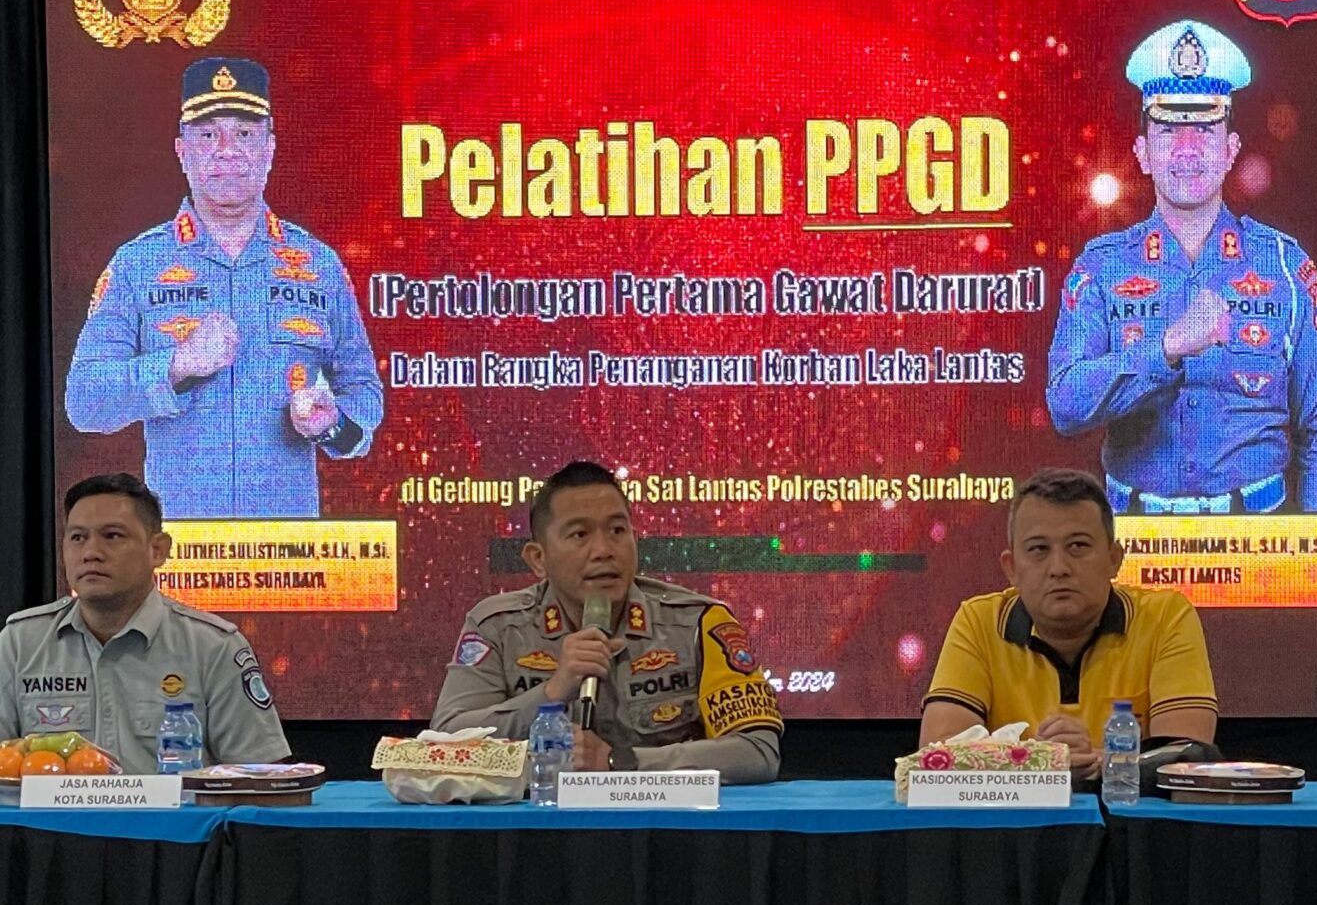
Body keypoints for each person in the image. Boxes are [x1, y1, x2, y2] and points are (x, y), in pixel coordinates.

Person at [65, 55, 383, 519]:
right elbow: (85, 400)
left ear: (270, 149)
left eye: (246, 134)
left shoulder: (319, 264)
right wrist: (177, 364)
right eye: (208, 134)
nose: (227, 150)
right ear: (182, 150)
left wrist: (331, 423)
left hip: (288, 548)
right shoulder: (137, 264)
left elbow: (363, 389)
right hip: (180, 545)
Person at [1047, 17, 1317, 517]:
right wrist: (1167, 348)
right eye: (1168, 130)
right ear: (1143, 153)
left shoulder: (1286, 267)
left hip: (1258, 538)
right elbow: (1065, 405)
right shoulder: (1101, 267)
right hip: (1134, 540)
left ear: (1230, 151)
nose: (1187, 149)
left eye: (1204, 129)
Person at [432, 461, 783, 782]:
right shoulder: (498, 626)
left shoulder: (697, 623)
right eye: (579, 535)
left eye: (617, 530)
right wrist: (551, 693)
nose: (604, 550)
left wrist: (621, 762)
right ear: (538, 559)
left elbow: (758, 752)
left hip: (663, 824)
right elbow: (444, 743)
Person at [0, 472, 289, 776]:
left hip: (171, 831)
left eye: (112, 536)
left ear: (158, 550)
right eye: (77, 537)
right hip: (49, 830)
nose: (91, 552)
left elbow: (261, 778)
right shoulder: (22, 642)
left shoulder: (213, 647)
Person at [920, 466, 1217, 784]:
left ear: (1114, 559)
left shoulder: (1165, 617)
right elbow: (937, 755)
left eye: (1078, 546)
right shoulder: (979, 622)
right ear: (1012, 568)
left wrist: (1095, 762)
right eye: (1038, 550)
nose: (1059, 568)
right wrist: (1040, 760)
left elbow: (1187, 757)